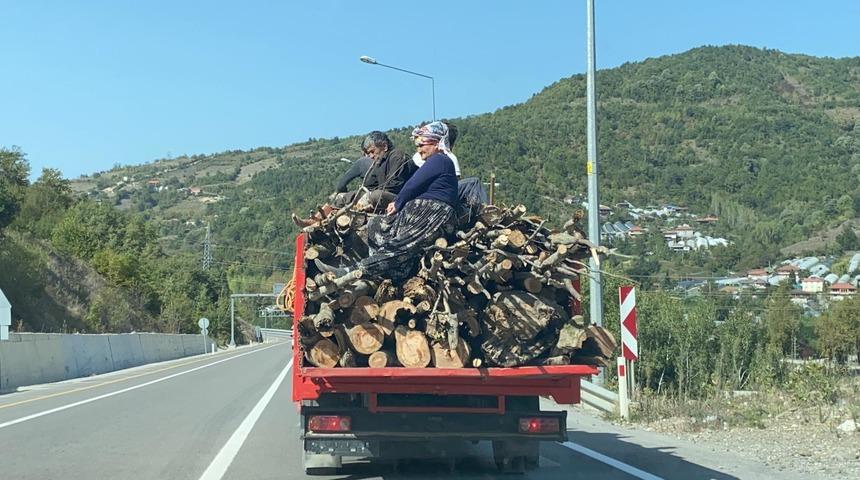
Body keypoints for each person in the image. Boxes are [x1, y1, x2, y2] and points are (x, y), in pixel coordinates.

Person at [316, 121, 459, 281]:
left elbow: (413, 184)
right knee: (377, 224)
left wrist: (398, 203)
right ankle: (392, 270)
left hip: (431, 212)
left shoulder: (439, 160)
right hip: (419, 211)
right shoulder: (435, 162)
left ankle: (352, 271)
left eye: (422, 144)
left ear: (436, 142)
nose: (418, 150)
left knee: (399, 246)